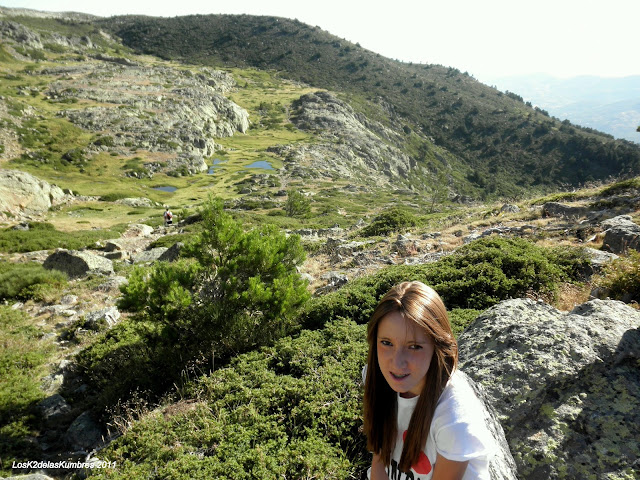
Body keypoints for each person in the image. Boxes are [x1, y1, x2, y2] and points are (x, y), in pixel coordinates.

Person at [363, 281, 495, 480]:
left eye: (414, 346)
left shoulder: (454, 417)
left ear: (437, 347)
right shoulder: (378, 380)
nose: (397, 363)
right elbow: (380, 459)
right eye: (386, 343)